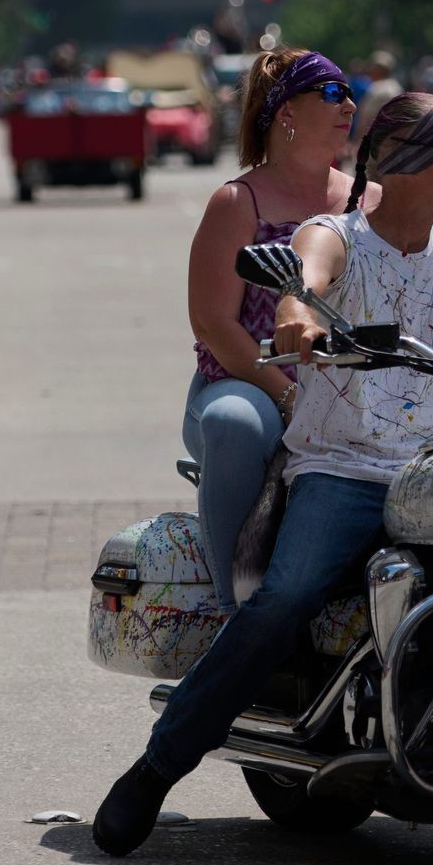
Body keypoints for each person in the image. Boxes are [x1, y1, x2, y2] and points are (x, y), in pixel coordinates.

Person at [95, 92, 433, 856]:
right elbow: (306, 276)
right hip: (346, 467)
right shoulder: (337, 234)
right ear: (409, 162)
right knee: (282, 599)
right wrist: (299, 316)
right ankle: (156, 768)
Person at [180, 47, 362, 615]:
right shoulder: (238, 202)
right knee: (234, 424)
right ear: (286, 111)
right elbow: (213, 323)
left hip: (353, 387)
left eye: (349, 92)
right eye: (332, 93)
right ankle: (233, 615)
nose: (350, 104)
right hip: (249, 384)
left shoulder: (370, 199)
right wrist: (287, 397)